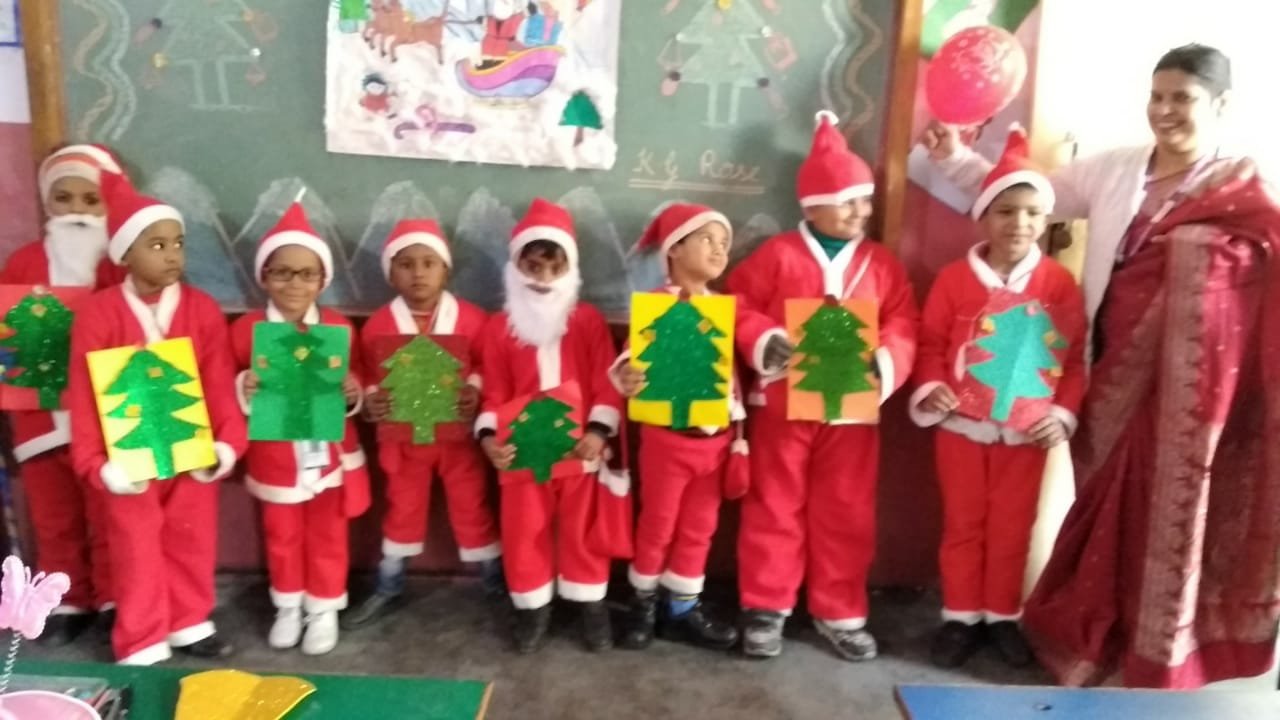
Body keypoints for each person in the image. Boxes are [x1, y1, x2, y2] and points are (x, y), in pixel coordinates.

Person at [924, 43, 1280, 688]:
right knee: (1108, 508)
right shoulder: (1117, 169)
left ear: (1221, 104)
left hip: (1196, 394)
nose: (1164, 110)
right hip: (1110, 375)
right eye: (1157, 96)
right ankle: (1100, 631)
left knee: (1174, 513)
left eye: (1182, 98)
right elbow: (1032, 194)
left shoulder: (1242, 190)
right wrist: (954, 156)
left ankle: (1162, 640)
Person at [727, 111, 919, 661]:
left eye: (865, 201)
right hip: (783, 406)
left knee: (846, 509)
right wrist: (763, 339)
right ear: (811, 207)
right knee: (773, 505)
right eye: (846, 201)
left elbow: (904, 322)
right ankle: (766, 605)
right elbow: (736, 304)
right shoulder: (777, 256)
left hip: (851, 408)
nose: (861, 211)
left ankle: (840, 610)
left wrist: (886, 360)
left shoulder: (881, 265)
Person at [909, 127, 1086, 669]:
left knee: (1013, 528)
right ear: (984, 216)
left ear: (1046, 220)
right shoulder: (954, 281)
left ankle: (1002, 616)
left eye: (1032, 213)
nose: (1019, 223)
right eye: (1006, 211)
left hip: (1025, 435)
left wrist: (1062, 414)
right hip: (961, 428)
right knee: (963, 525)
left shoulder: (1058, 285)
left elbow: (1073, 358)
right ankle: (961, 616)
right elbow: (930, 344)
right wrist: (933, 387)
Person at [68, 173, 244, 665]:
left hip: (191, 448)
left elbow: (218, 383)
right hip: (128, 454)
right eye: (157, 245)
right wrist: (97, 464)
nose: (172, 255)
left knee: (191, 536)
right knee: (135, 546)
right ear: (125, 253)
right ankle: (142, 636)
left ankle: (189, 621)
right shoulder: (99, 314)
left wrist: (226, 444)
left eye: (178, 244)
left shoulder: (201, 310)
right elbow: (83, 395)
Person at [611, 203, 790, 652]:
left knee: (699, 528)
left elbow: (750, 336)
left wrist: (769, 346)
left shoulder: (727, 308)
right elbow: (633, 354)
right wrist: (628, 373)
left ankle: (682, 608)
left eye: (723, 242)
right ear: (674, 249)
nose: (718, 249)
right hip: (667, 441)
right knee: (658, 525)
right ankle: (642, 604)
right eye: (707, 239)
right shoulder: (657, 307)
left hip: (717, 442)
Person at [475, 198, 622, 654]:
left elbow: (606, 382)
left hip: (580, 450)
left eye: (554, 268)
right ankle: (533, 607)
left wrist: (598, 432)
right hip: (522, 453)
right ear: (515, 266)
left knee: (581, 530)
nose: (542, 278)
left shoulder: (588, 322)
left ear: (570, 270)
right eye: (533, 266)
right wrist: (489, 438)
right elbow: (493, 392)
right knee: (524, 532)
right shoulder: (498, 329)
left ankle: (590, 603)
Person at [345, 219, 504, 630]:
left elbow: (489, 364)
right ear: (390, 273)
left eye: (429, 263)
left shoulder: (473, 319)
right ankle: (388, 584)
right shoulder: (378, 325)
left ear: (445, 270)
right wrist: (370, 398)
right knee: (402, 509)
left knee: (472, 506)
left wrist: (474, 388)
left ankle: (496, 583)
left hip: (458, 438)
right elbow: (365, 373)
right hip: (404, 440)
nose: (418, 273)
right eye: (406, 264)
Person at [0, 144, 127, 644]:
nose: (77, 210)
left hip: (109, 412)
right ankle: (66, 598)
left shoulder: (121, 263)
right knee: (53, 512)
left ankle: (115, 595)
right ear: (47, 201)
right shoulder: (24, 263)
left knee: (108, 511)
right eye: (64, 197)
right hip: (40, 413)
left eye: (90, 199)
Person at [231, 200, 369, 656]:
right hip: (275, 455)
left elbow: (357, 377)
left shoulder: (338, 328)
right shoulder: (246, 330)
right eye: (283, 273)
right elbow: (225, 384)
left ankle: (324, 608)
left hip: (327, 454)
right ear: (264, 276)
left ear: (322, 280)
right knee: (282, 534)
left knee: (328, 533)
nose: (295, 283)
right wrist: (243, 386)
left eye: (307, 274)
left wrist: (351, 391)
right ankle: (288, 605)